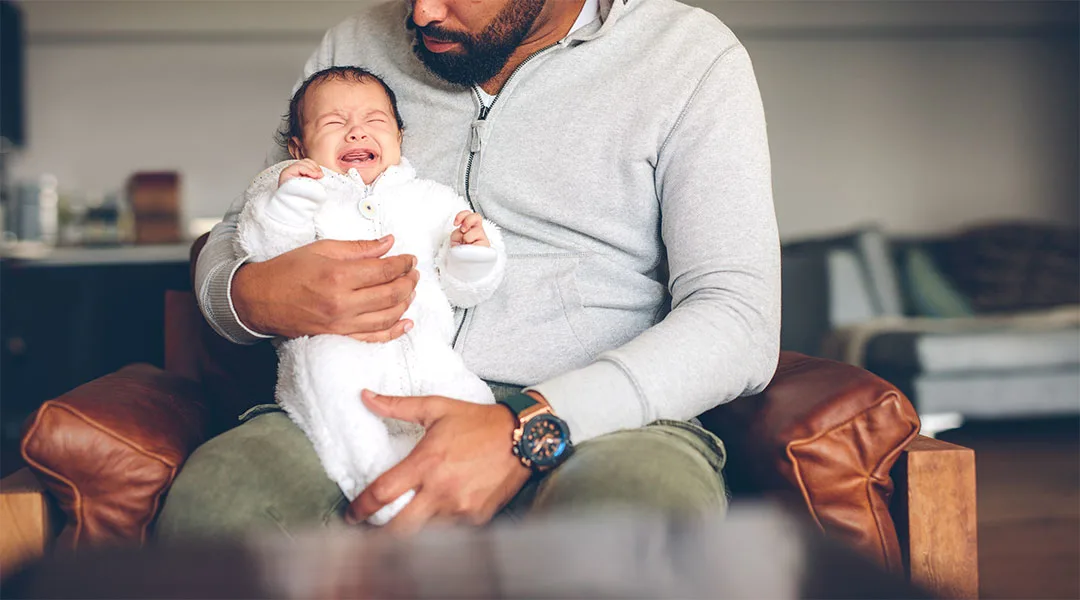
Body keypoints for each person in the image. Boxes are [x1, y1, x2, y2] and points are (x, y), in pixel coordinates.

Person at [157, 0, 780, 539]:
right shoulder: (354, 45)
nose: (421, 14)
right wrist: (246, 294)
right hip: (356, 397)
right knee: (215, 510)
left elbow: (739, 318)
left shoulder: (688, 57)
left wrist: (528, 424)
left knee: (630, 532)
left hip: (607, 424)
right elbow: (241, 230)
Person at [236, 66, 506, 526]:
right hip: (335, 347)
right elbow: (263, 252)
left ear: (399, 138)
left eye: (374, 121)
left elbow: (464, 288)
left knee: (468, 398)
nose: (356, 130)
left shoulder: (428, 199)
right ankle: (380, 489)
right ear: (299, 149)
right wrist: (289, 203)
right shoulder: (298, 193)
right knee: (327, 378)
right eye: (334, 123)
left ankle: (477, 486)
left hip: (425, 349)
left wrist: (473, 254)